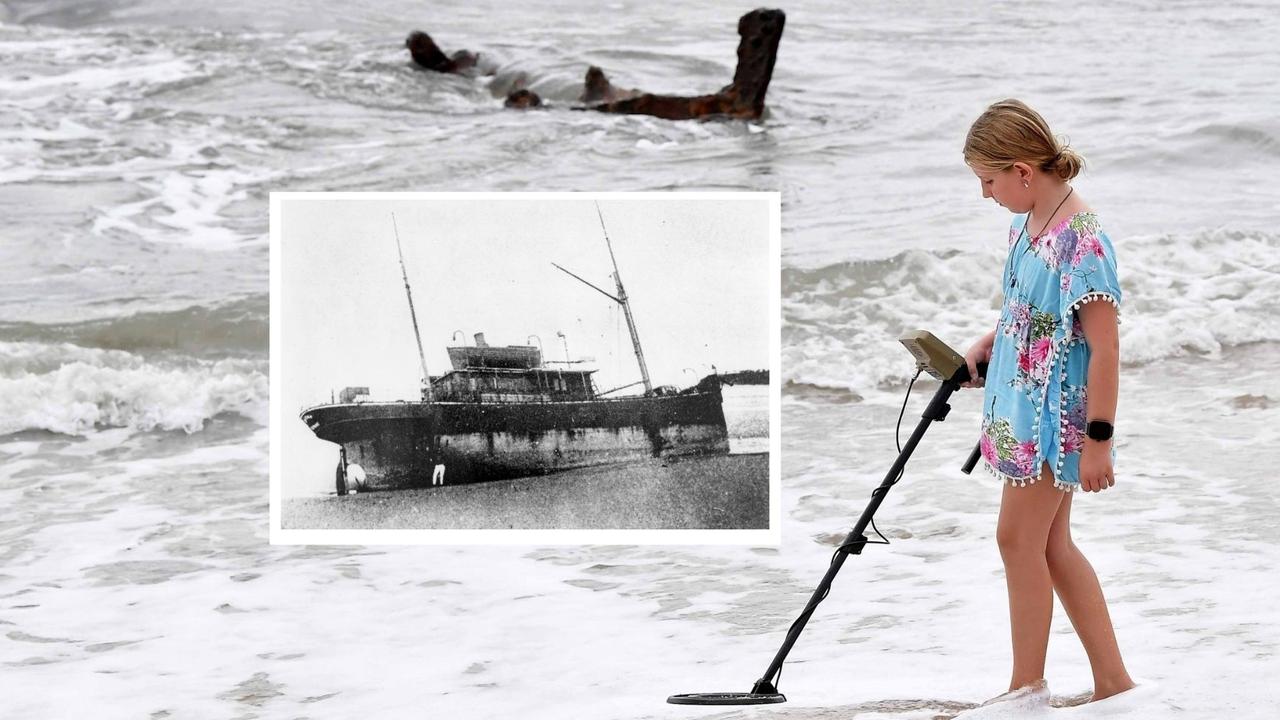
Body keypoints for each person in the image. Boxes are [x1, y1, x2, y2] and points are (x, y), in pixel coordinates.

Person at [960, 99, 1137, 709]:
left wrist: (1099, 441)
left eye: (989, 180)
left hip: (1056, 417)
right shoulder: (1027, 221)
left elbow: (1106, 349)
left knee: (1016, 540)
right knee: (1050, 545)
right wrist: (988, 345)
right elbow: (1025, 311)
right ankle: (1113, 683)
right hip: (1019, 405)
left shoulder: (1082, 241)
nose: (986, 194)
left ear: (1022, 170)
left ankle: (1025, 690)